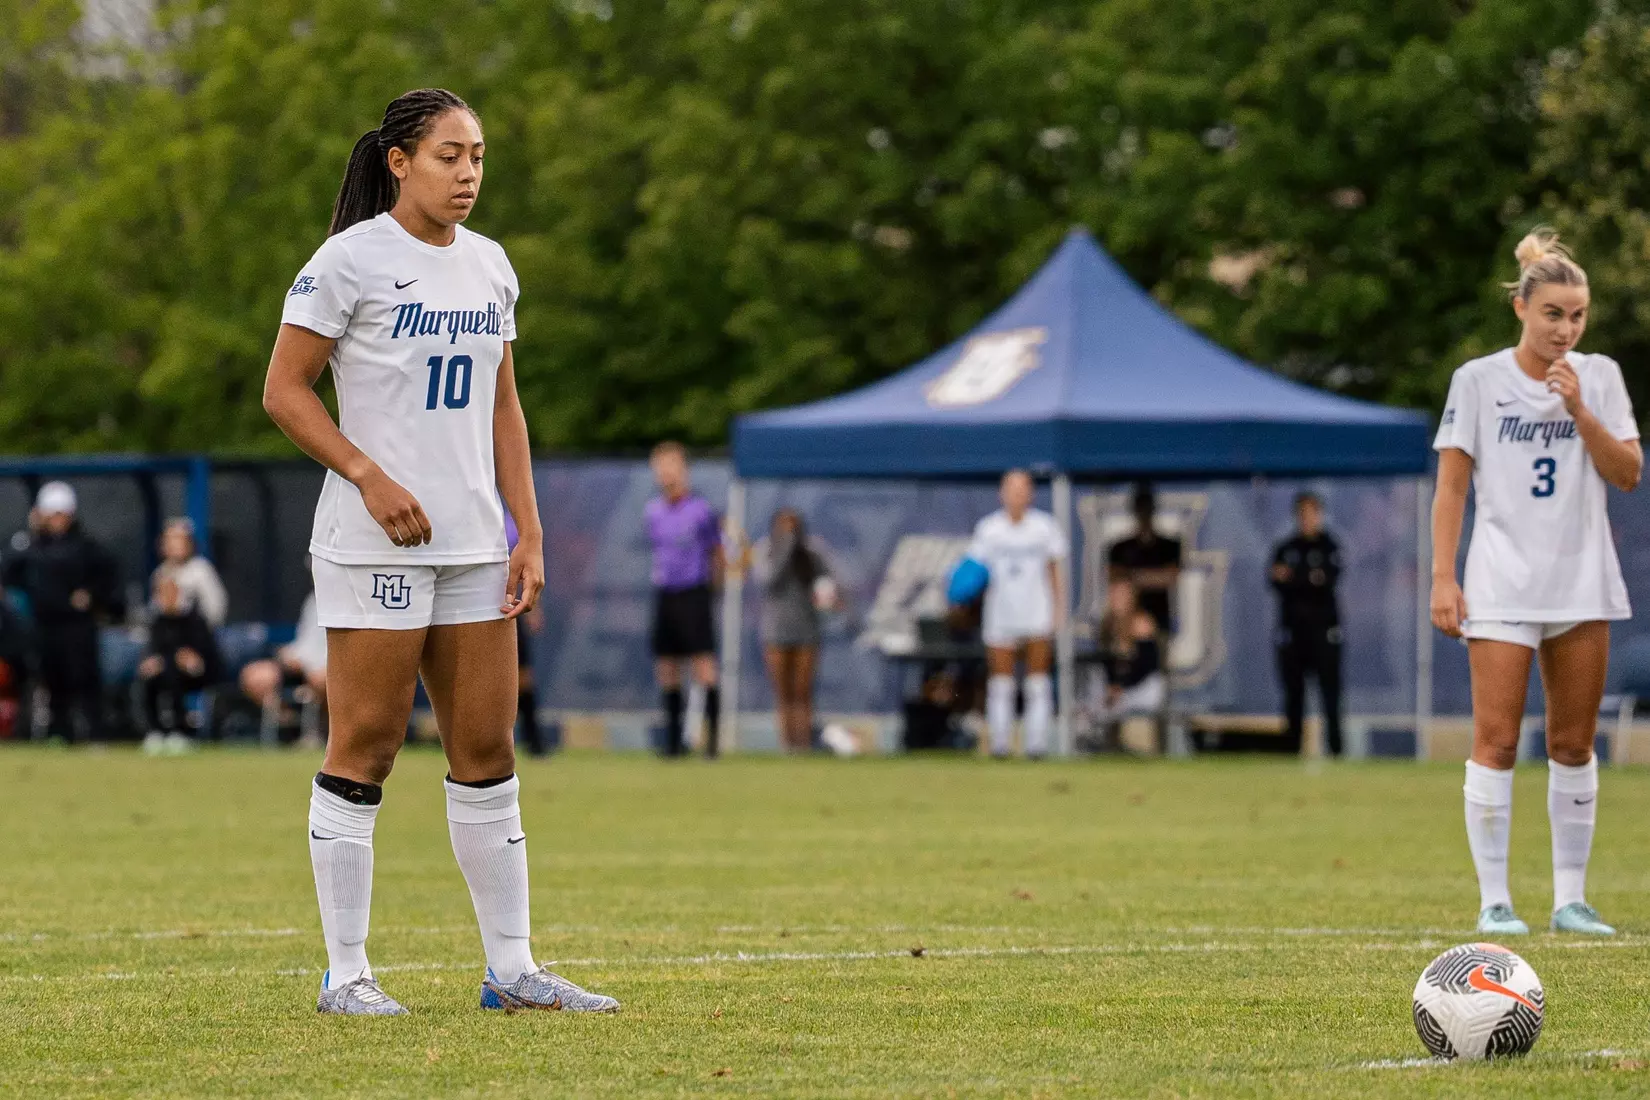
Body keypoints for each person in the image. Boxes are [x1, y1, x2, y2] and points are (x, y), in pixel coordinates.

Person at [262, 88, 617, 1016]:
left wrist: (525, 528)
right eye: (450, 156)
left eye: (479, 157)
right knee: (367, 745)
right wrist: (368, 475)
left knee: (487, 748)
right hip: (372, 541)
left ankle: (511, 968)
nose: (468, 174)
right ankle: (346, 974)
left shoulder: (492, 267)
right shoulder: (348, 261)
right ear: (399, 161)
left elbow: (504, 406)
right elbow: (284, 391)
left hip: (470, 545)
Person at [1431, 228, 1641, 939]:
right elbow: (1452, 490)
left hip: (1581, 581)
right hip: (1500, 583)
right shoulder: (1478, 380)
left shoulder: (1600, 376)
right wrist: (1444, 578)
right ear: (1521, 308)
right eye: (1553, 312)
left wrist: (1580, 409)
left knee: (1574, 744)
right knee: (1494, 743)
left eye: (1577, 315)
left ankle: (1570, 900)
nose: (1566, 328)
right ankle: (1495, 901)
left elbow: (1628, 474)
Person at [2, 482, 124, 743]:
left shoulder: (86, 547)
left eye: (61, 514)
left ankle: (94, 735)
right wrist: (32, 531)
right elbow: (10, 571)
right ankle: (59, 734)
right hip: (45, 625)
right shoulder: (31, 546)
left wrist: (92, 596)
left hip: (77, 626)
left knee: (83, 681)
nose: (57, 520)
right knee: (52, 681)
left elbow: (108, 580)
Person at [968, 469, 1068, 758]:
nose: (1017, 495)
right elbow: (976, 573)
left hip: (1037, 612)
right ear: (1002, 493)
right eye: (1011, 489)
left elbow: (1054, 571)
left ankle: (1036, 745)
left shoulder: (1044, 527)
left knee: (1037, 683)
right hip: (1001, 614)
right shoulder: (988, 529)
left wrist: (1058, 610)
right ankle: (1000, 745)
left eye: (1023, 489)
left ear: (1031, 493)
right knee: (1001, 683)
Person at [645, 441, 724, 758]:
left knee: (703, 665)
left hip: (694, 592)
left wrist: (711, 591)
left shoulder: (701, 511)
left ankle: (712, 742)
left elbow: (716, 552)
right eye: (660, 465)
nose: (665, 472)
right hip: (666, 592)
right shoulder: (652, 512)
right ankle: (674, 743)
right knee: (667, 666)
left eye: (671, 464)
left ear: (684, 469)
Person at [753, 508, 838, 753]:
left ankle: (803, 744)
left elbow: (828, 583)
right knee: (783, 692)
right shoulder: (766, 550)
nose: (788, 533)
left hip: (806, 629)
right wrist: (785, 550)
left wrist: (828, 600)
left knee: (802, 690)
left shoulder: (812, 552)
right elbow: (768, 582)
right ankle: (786, 745)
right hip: (775, 631)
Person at [1269, 491, 1344, 756]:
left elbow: (1327, 580)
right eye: (1303, 513)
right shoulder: (1286, 548)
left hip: (1323, 632)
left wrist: (1295, 577)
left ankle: (1336, 749)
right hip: (1294, 632)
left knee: (1330, 694)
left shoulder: (1329, 546)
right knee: (1293, 694)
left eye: (1312, 513)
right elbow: (1275, 580)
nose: (1308, 519)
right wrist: (1308, 578)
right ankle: (1292, 749)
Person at [139, 575, 223, 754]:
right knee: (149, 679)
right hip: (166, 672)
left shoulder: (195, 619)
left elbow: (202, 655)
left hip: (198, 674)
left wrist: (190, 659)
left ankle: (181, 731)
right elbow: (153, 650)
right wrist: (152, 661)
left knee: (173, 675)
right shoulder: (157, 621)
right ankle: (155, 731)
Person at [239, 589, 328, 741]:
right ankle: (289, 726)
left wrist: (306, 662)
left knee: (320, 680)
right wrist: (291, 653)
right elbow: (306, 640)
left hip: (326, 665)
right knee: (253, 676)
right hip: (299, 664)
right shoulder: (312, 599)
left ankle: (320, 732)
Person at [1087, 579, 1165, 745]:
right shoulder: (1106, 625)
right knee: (1091, 701)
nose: (1115, 598)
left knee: (1106, 707)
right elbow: (1107, 662)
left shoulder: (1141, 623)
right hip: (1117, 690)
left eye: (1121, 594)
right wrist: (1113, 685)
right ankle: (1093, 741)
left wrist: (1121, 687)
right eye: (1113, 593)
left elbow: (1147, 665)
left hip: (1141, 686)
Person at [1107, 484, 1181, 636]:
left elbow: (1170, 577)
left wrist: (1133, 577)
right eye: (1141, 508)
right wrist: (1151, 577)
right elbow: (1115, 579)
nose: (1144, 513)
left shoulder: (1169, 546)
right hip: (1127, 624)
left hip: (1159, 618)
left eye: (1147, 508)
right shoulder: (1120, 548)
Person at [152, 518, 229, 629]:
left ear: (189, 543)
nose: (173, 544)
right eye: (169, 540)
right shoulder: (160, 572)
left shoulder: (200, 569)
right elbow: (156, 609)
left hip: (196, 635)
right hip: (168, 636)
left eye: (178, 539)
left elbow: (216, 607)